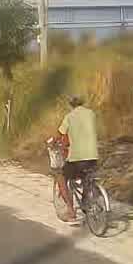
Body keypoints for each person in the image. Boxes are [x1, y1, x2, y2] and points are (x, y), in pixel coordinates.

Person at [57, 94, 98, 223]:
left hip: (77, 158)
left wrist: (54, 143)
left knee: (61, 177)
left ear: (71, 105)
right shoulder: (91, 114)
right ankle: (85, 201)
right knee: (86, 176)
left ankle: (70, 211)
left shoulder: (69, 117)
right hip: (93, 156)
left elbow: (61, 133)